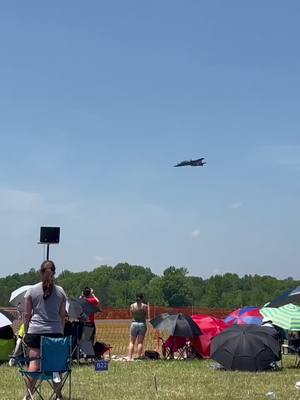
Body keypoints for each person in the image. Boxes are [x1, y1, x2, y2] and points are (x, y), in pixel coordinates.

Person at [23, 260, 66, 400]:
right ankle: (58, 395)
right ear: (54, 272)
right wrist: (61, 331)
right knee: (55, 366)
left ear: (40, 272)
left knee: (34, 365)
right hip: (55, 333)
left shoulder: (32, 291)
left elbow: (27, 314)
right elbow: (62, 316)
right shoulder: (61, 292)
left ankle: (28, 396)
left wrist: (27, 329)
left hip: (35, 333)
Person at [127, 293, 148, 360]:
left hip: (134, 324)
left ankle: (129, 357)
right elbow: (146, 315)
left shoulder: (132, 306)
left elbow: (131, 315)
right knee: (140, 342)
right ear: (142, 298)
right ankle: (139, 357)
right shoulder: (145, 306)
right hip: (142, 324)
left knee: (132, 342)